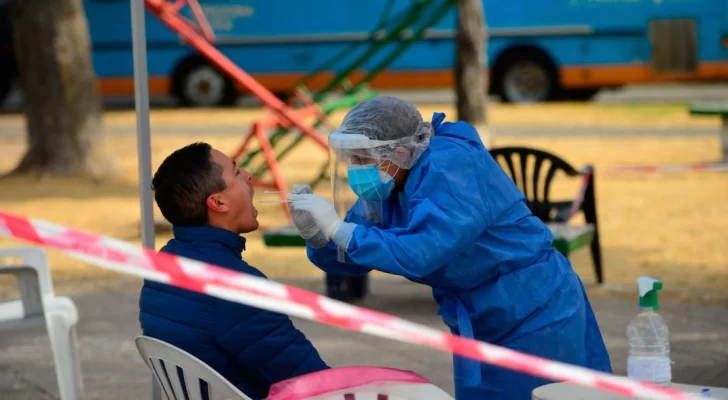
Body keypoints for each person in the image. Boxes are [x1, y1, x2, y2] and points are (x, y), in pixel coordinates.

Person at [288, 96, 612, 400]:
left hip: (536, 311)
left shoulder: (453, 167)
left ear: (398, 153)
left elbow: (421, 252)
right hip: (478, 319)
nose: (355, 169)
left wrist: (339, 230)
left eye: (362, 159)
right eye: (351, 160)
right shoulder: (388, 185)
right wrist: (320, 238)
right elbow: (357, 254)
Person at [139, 142, 328, 400]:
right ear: (217, 202)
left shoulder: (163, 268)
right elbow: (316, 384)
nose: (249, 175)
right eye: (237, 172)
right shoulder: (237, 288)